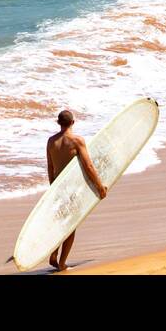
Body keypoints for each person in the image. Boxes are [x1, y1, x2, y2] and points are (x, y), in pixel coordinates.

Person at [46, 109, 107, 271]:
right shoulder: (77, 141)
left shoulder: (51, 141)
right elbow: (88, 166)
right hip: (73, 189)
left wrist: (52, 190)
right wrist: (100, 186)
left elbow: (50, 168)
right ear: (73, 122)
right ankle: (61, 263)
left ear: (58, 123)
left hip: (57, 188)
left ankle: (54, 252)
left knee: (61, 223)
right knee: (71, 226)